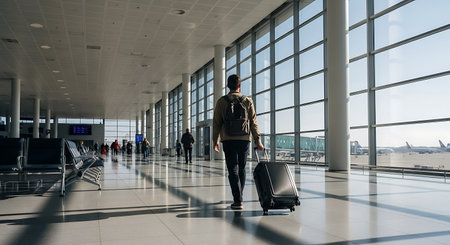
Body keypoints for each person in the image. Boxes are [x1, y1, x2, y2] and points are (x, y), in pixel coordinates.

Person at [213, 74, 264, 210]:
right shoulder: (247, 101)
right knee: (242, 168)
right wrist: (258, 141)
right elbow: (253, 122)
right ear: (240, 86)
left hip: (228, 139)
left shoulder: (222, 101)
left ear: (228, 86)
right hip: (244, 139)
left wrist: (215, 141)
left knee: (232, 169)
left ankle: (237, 200)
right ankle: (239, 197)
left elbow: (216, 123)